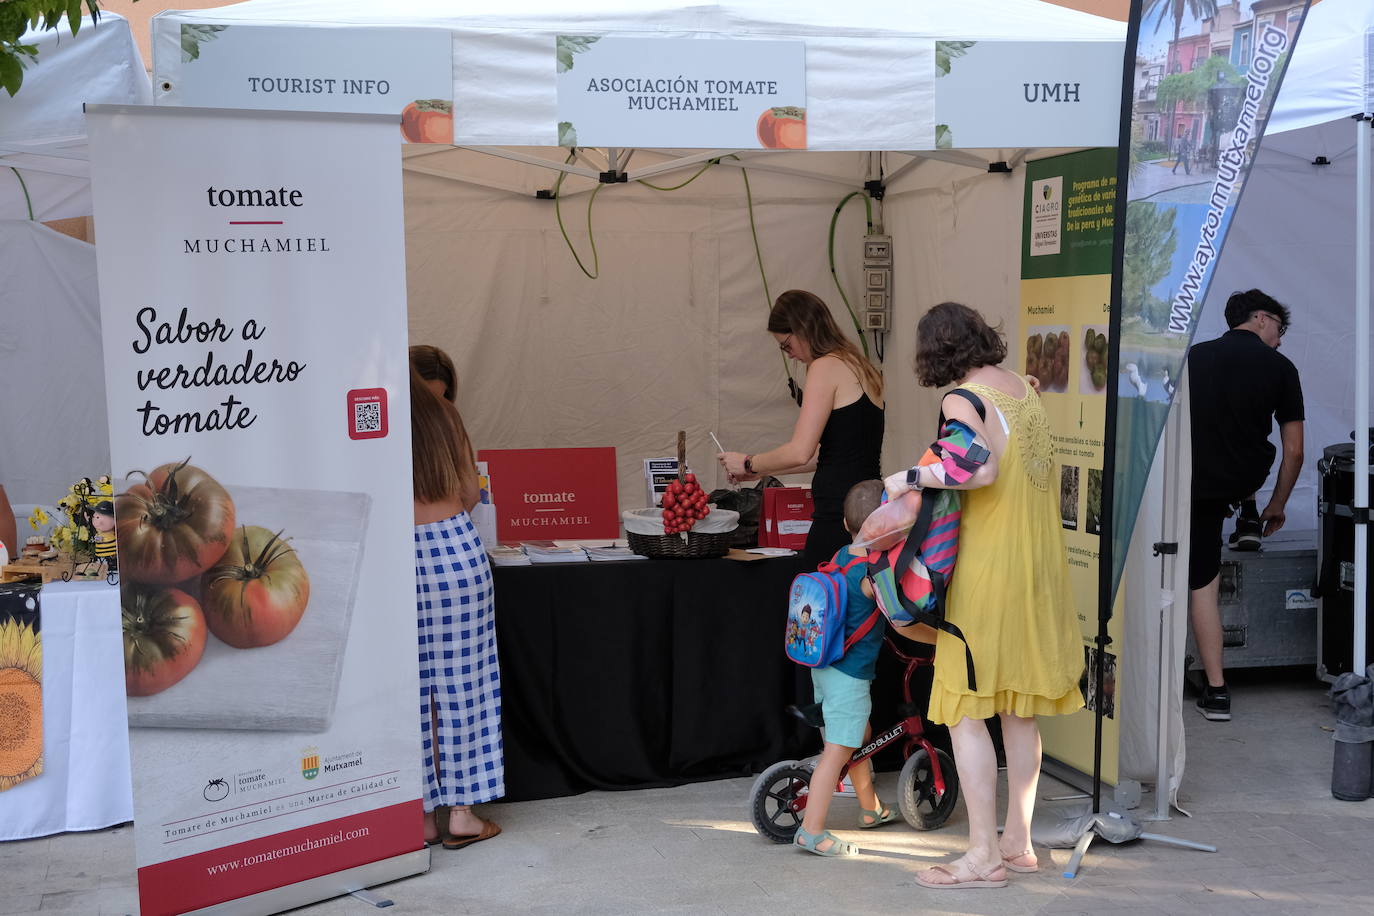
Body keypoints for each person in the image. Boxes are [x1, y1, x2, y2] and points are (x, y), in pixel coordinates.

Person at [883, 302, 1082, 890]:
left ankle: (981, 857)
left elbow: (978, 469)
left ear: (935, 353)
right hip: (1039, 569)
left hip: (991, 573)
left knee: (967, 712)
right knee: (1018, 713)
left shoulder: (960, 399)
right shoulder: (1023, 387)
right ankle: (1017, 845)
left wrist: (909, 477)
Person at [1186, 289, 1304, 721]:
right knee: (1204, 586)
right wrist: (1279, 503)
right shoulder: (1279, 367)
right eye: (1279, 328)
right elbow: (1294, 452)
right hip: (1235, 482)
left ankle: (1198, 687)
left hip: (1186, 485)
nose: (1280, 338)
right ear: (1260, 318)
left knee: (1189, 582)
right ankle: (1251, 513)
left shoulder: (1193, 357)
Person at [718, 290, 884, 569]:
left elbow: (800, 451)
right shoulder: (860, 365)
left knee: (820, 604)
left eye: (786, 344)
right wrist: (757, 471)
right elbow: (824, 455)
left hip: (837, 514)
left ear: (802, 329)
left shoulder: (824, 366)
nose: (790, 355)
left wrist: (748, 461)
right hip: (869, 508)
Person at [411, 364, 504, 849]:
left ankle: (422, 816)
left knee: (410, 690)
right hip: (453, 548)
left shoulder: (371, 410)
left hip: (396, 555)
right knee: (466, 683)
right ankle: (463, 814)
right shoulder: (444, 413)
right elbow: (470, 492)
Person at [793, 479, 898, 857]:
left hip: (822, 666)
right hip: (850, 676)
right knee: (837, 751)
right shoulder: (873, 572)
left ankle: (870, 809)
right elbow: (898, 611)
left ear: (844, 522)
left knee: (860, 735)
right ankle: (813, 831)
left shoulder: (840, 555)